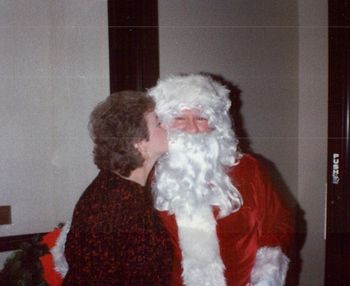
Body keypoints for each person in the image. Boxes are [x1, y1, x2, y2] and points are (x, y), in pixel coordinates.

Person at [148, 74, 294, 286]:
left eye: (201, 118)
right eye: (179, 118)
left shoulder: (248, 169)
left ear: (217, 123)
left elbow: (279, 222)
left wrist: (266, 275)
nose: (192, 129)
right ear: (165, 124)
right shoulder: (154, 175)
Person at [62, 91, 173, 285]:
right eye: (158, 122)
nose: (167, 126)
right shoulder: (126, 204)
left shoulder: (113, 185)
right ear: (138, 142)